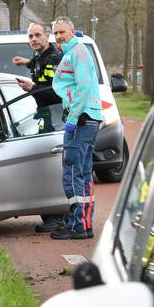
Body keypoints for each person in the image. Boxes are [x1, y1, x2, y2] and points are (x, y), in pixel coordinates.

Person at [50, 17, 102, 240]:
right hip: (87, 117)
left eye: (62, 32)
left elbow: (83, 86)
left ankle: (77, 225)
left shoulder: (77, 52)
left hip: (81, 119)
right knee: (82, 172)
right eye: (56, 33)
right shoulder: (72, 53)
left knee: (72, 172)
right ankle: (83, 223)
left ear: (72, 31)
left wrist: (72, 117)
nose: (59, 36)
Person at [11, 22, 65, 233]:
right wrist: (25, 62)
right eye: (30, 36)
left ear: (47, 37)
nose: (33, 39)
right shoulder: (41, 57)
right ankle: (56, 217)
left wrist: (32, 87)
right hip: (47, 118)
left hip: (57, 118)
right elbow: (36, 63)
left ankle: (56, 219)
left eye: (37, 35)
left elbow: (56, 91)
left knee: (51, 168)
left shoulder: (54, 59)